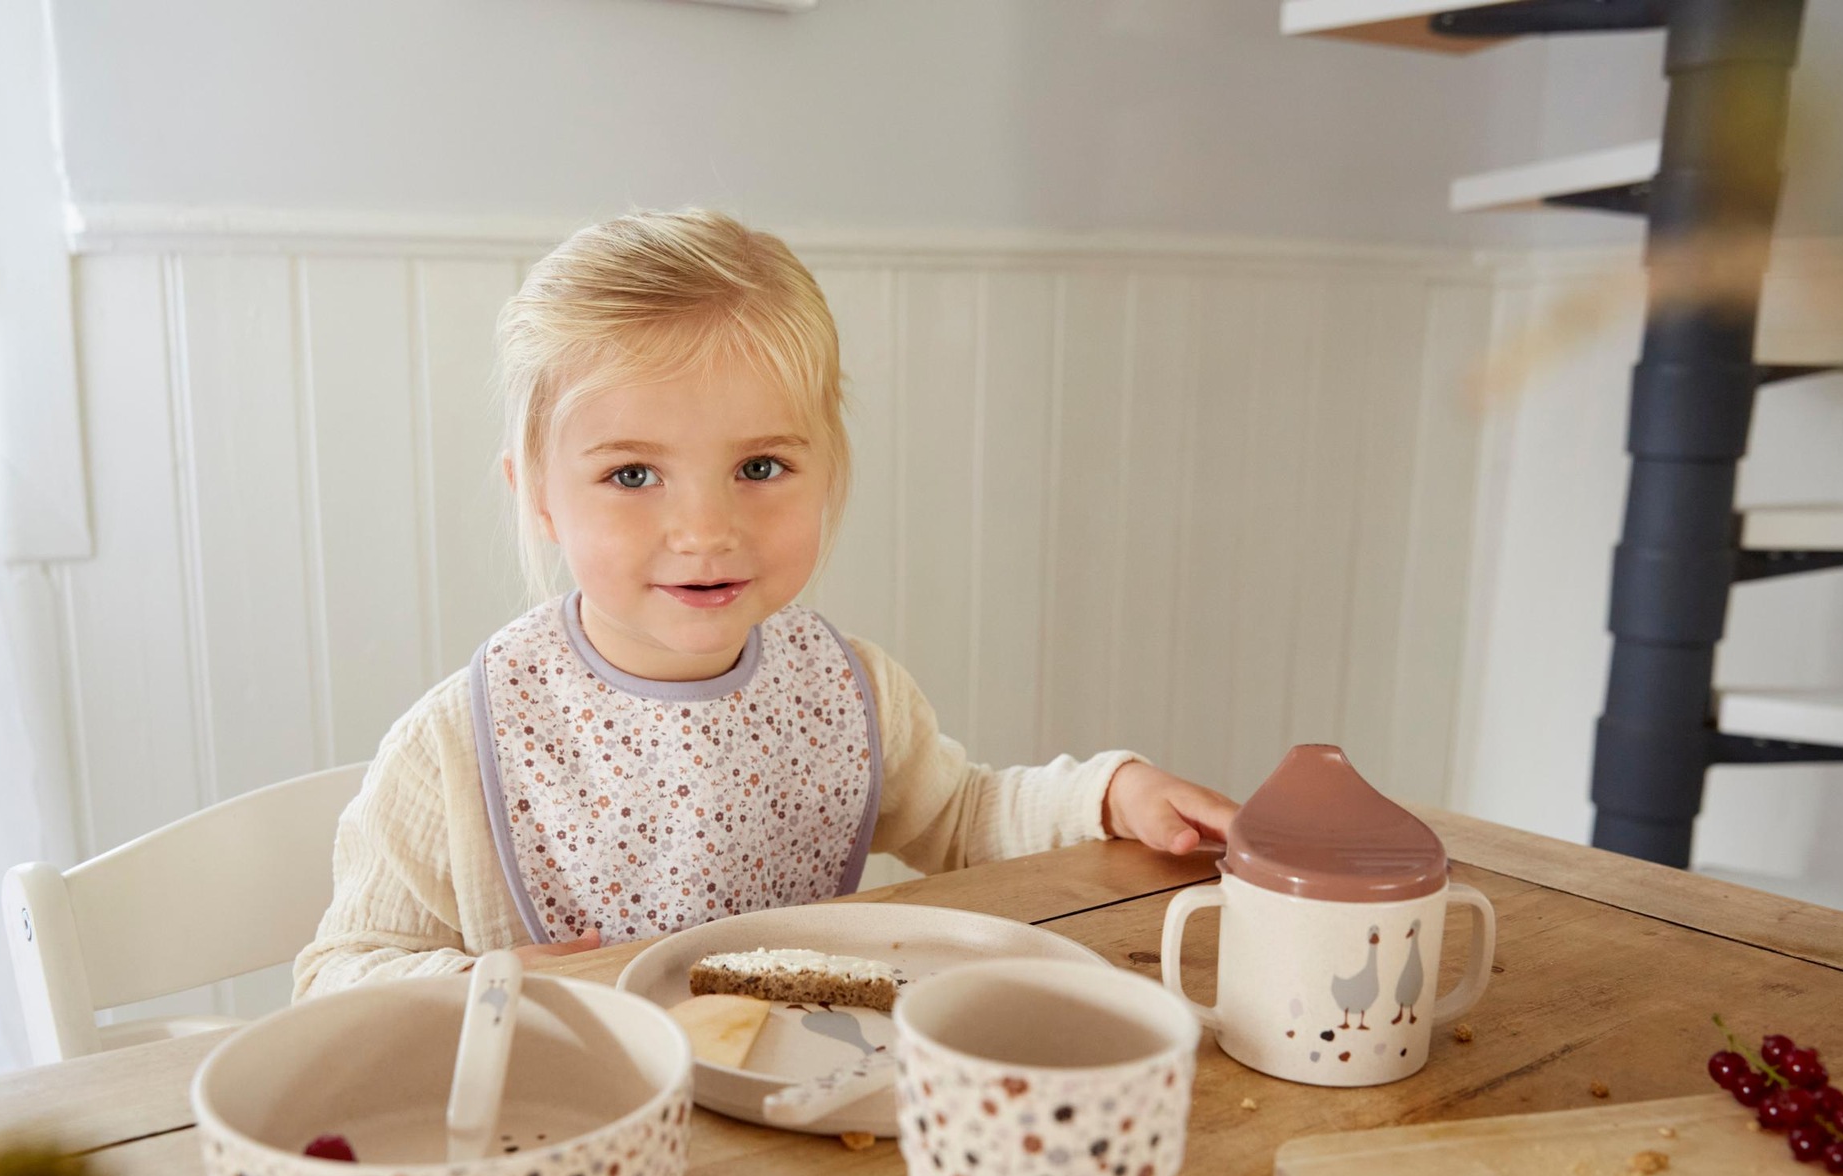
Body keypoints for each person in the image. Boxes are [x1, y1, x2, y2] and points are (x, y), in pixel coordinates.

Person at [294, 210, 1236, 993]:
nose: (705, 529)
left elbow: (963, 818)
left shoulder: (847, 688)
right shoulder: (459, 744)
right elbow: (338, 971)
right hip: (572, 1122)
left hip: (800, 1101)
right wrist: (489, 988)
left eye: (760, 466)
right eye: (631, 474)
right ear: (537, 495)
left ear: (829, 468)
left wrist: (1109, 792)